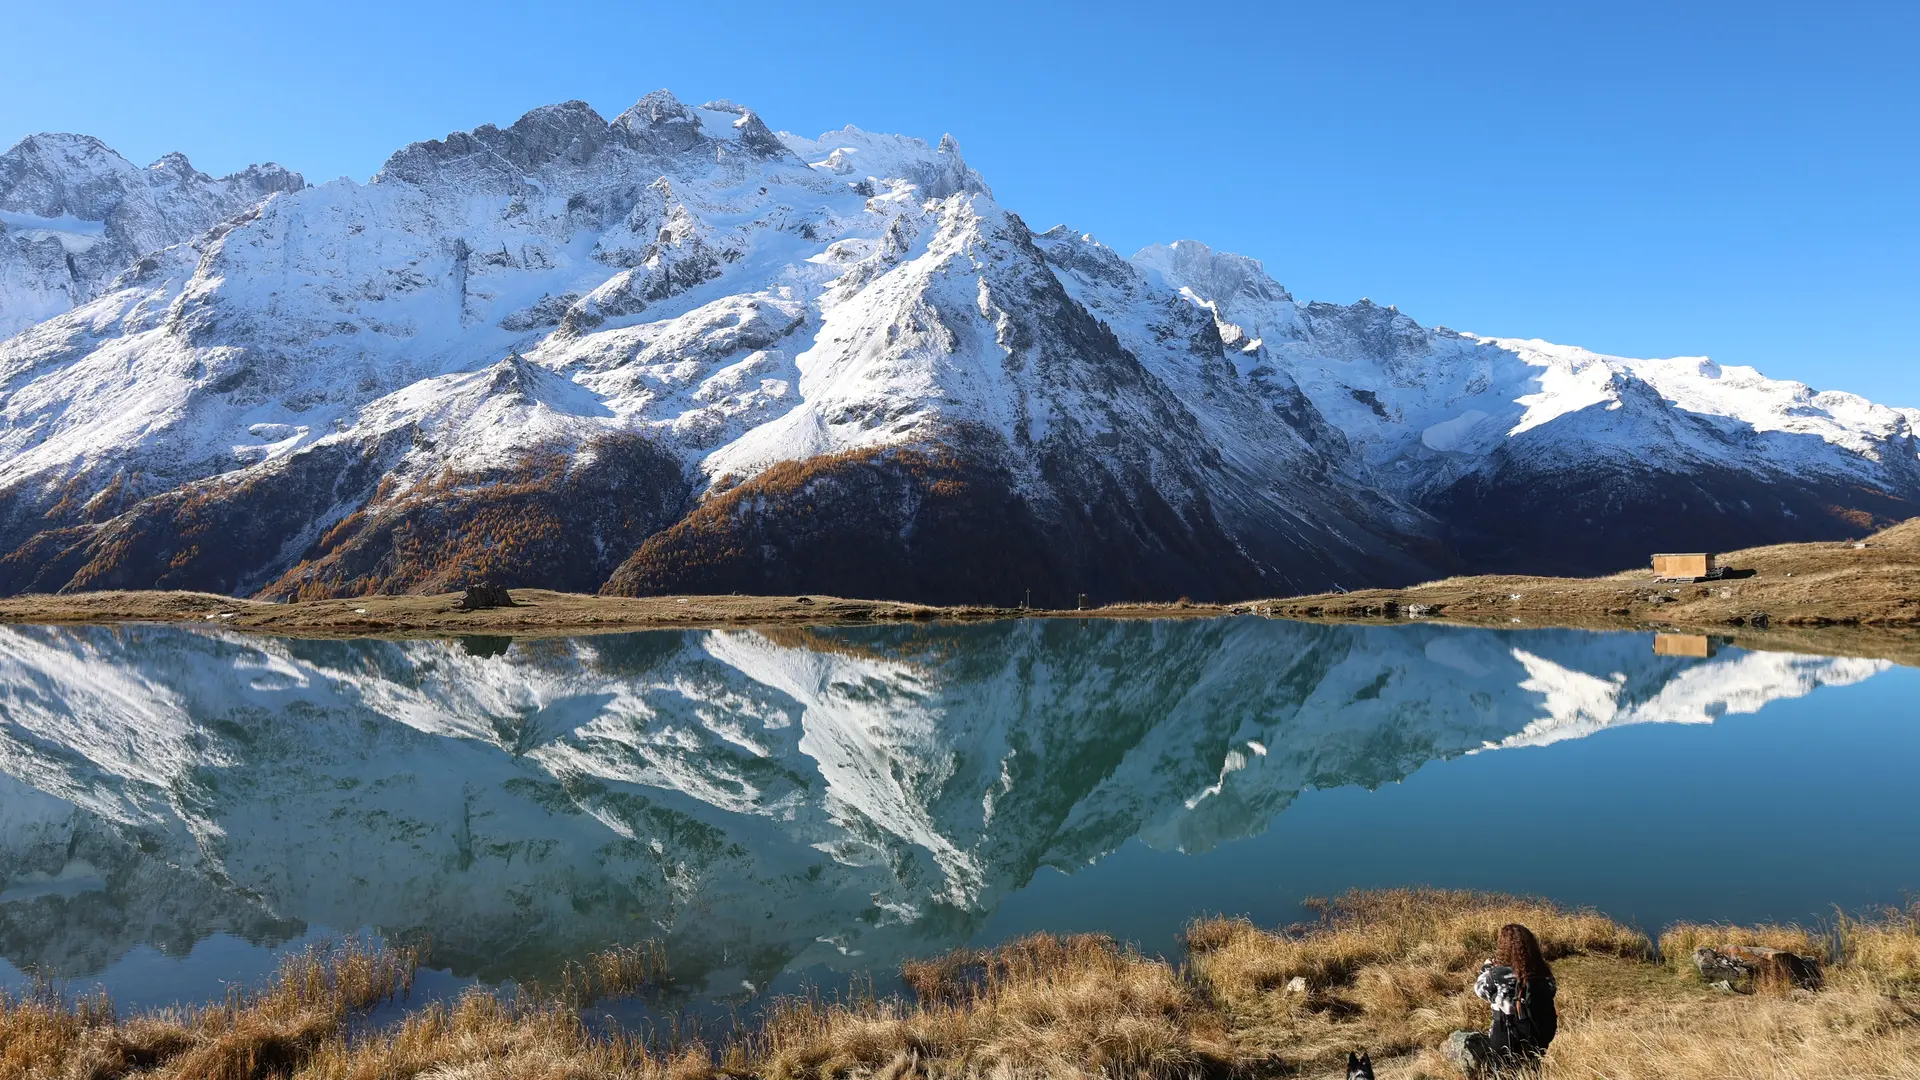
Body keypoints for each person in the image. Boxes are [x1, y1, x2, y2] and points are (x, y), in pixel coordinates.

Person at [1471, 923, 1558, 1068]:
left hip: (1506, 1035)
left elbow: (1480, 990)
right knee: (1532, 1069)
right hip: (1538, 1033)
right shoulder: (1544, 974)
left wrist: (1486, 968)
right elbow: (1552, 991)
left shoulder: (1497, 975)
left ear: (1503, 948)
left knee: (1505, 1072)